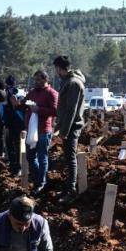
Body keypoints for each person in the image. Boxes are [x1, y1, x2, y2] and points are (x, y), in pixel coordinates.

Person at [52, 55, 86, 202]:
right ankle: (67, 187)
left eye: (56, 69)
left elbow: (71, 110)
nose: (56, 72)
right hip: (67, 126)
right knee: (67, 157)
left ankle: (70, 191)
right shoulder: (67, 81)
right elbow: (63, 107)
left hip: (72, 127)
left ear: (60, 68)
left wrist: (64, 131)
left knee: (71, 158)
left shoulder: (73, 83)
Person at [23, 70, 58, 195]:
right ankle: (39, 179)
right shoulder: (32, 92)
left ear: (45, 80)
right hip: (31, 129)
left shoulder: (51, 93)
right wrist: (17, 103)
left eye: (38, 80)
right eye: (35, 80)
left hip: (43, 130)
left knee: (42, 157)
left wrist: (38, 109)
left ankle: (41, 183)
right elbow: (24, 104)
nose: (36, 82)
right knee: (30, 157)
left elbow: (54, 111)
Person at [2, 76, 25, 177]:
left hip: (15, 124)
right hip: (12, 124)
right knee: (12, 146)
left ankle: (17, 168)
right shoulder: (15, 93)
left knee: (15, 146)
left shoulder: (16, 94)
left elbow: (20, 109)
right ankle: (14, 167)